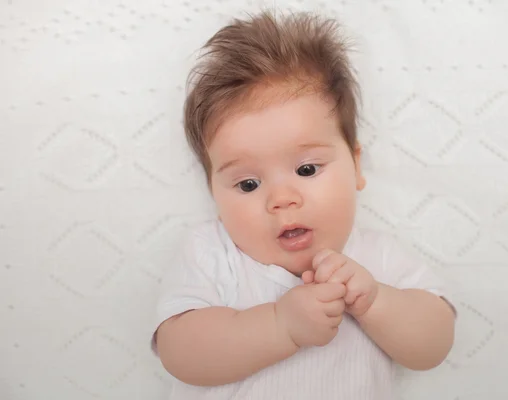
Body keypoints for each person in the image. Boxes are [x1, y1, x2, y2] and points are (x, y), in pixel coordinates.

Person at [151, 9, 456, 400]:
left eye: (307, 169)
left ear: (356, 165)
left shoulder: (377, 259)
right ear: (214, 192)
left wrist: (377, 302)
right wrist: (281, 326)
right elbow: (181, 355)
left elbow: (433, 345)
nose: (282, 199)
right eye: (248, 183)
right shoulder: (213, 252)